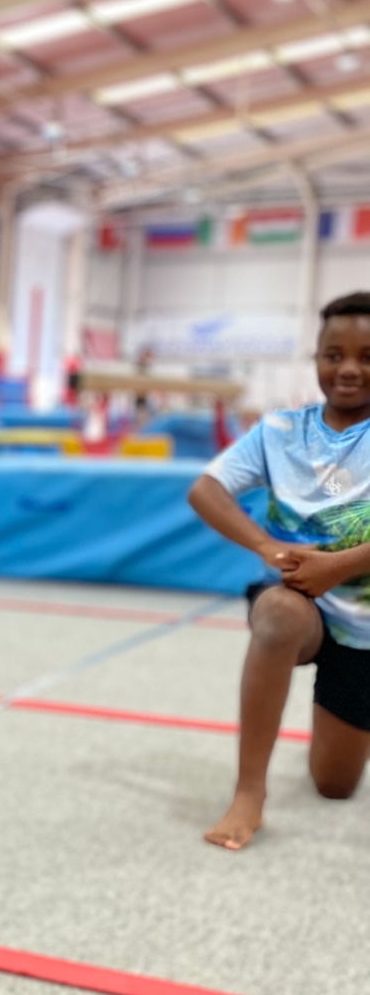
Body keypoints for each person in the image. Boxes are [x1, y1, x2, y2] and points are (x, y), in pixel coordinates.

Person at [187, 290, 370, 851]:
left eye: (368, 356)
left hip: (363, 626)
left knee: (335, 786)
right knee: (276, 616)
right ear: (315, 358)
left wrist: (340, 564)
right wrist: (267, 548)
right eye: (333, 354)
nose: (349, 369)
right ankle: (248, 793)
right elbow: (205, 489)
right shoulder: (282, 432)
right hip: (300, 602)